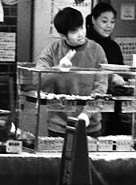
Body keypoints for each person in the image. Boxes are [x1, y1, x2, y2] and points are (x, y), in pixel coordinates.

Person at [35, 7, 108, 135]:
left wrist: (86, 114)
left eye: (82, 27)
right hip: (58, 126)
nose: (81, 33)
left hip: (90, 126)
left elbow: (101, 87)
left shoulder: (97, 50)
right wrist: (58, 69)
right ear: (63, 35)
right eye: (74, 31)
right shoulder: (52, 50)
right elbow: (37, 80)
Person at [86, 2, 131, 134]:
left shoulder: (113, 46)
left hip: (114, 101)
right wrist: (111, 77)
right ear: (94, 20)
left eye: (112, 21)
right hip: (93, 101)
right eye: (104, 21)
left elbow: (122, 71)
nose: (109, 26)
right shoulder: (87, 45)